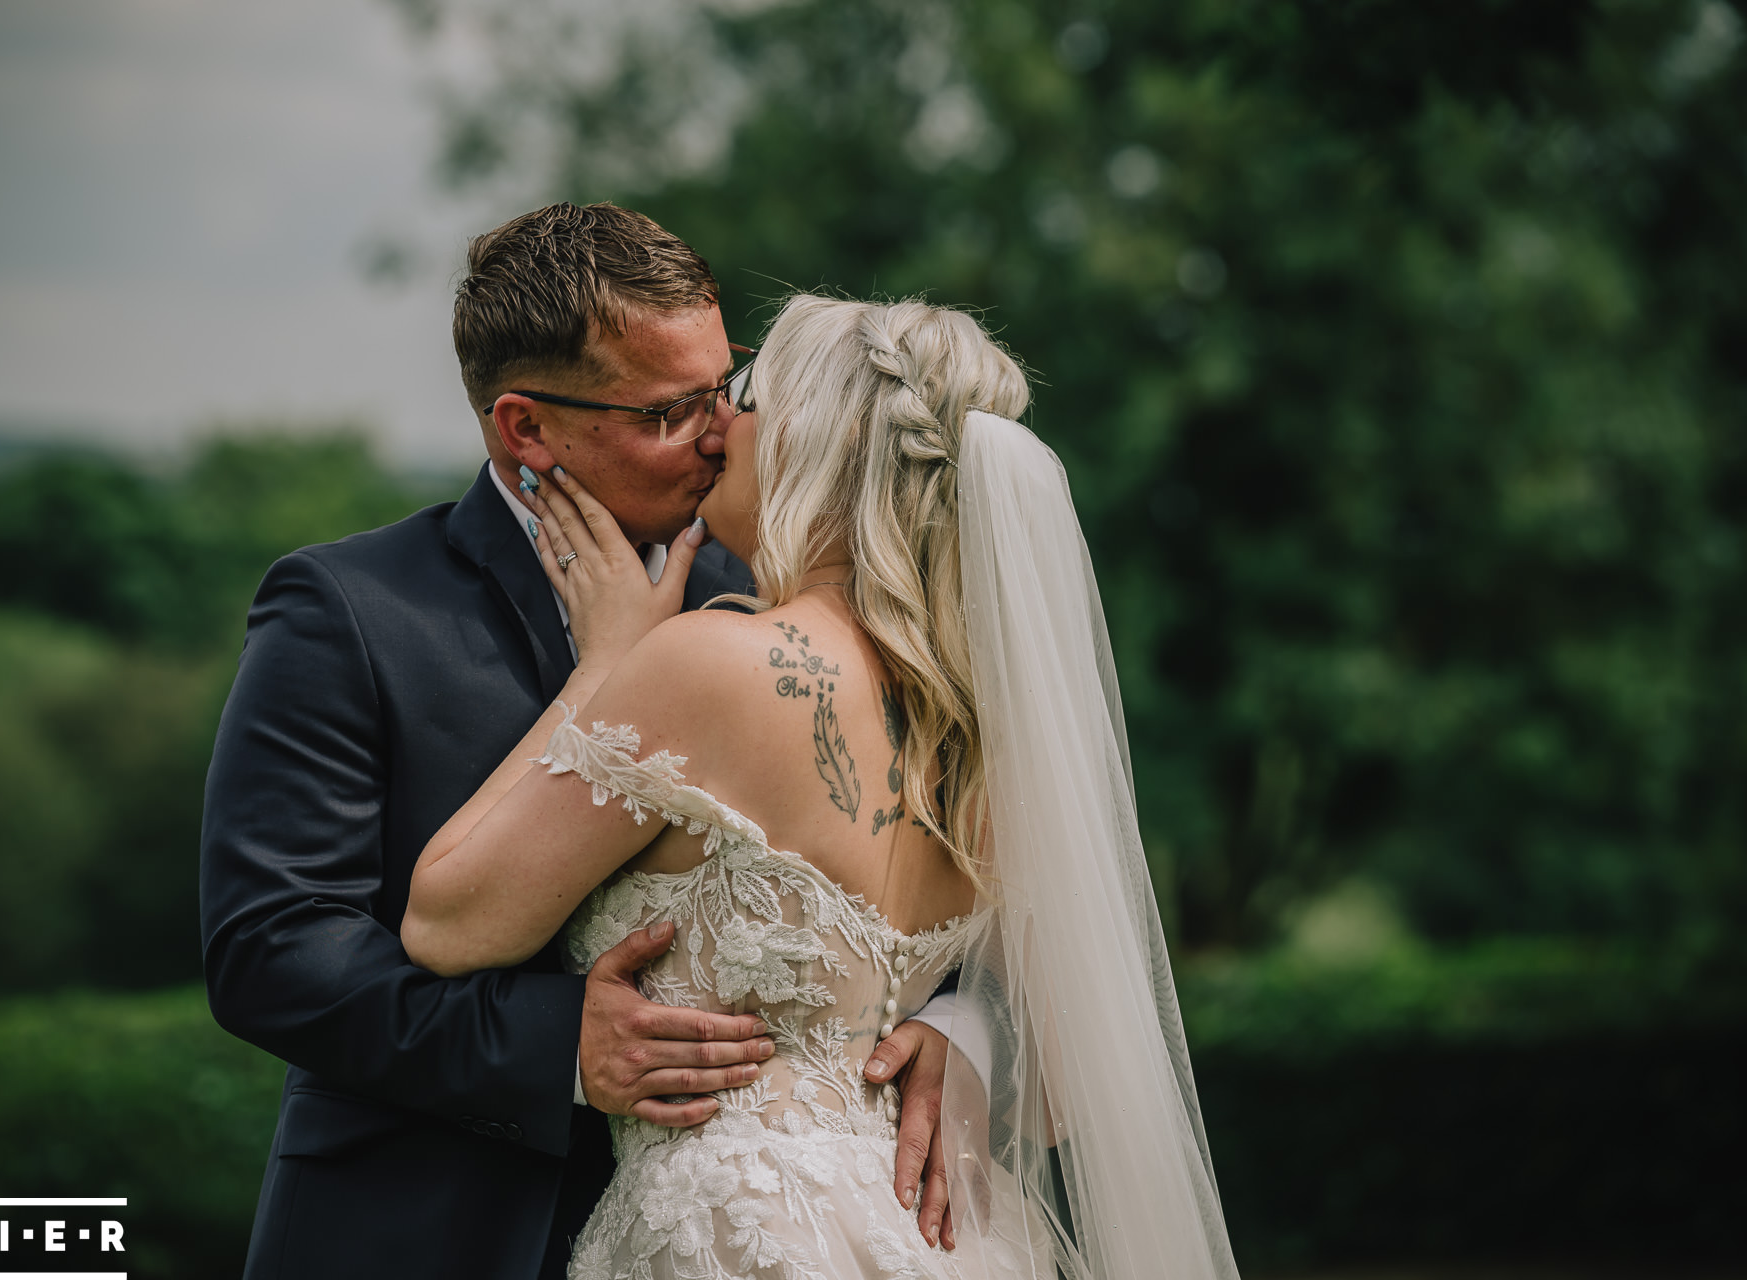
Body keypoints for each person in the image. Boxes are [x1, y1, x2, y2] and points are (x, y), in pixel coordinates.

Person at [402, 295, 1241, 1277]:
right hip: (940, 1232)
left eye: (744, 396)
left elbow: (447, 920)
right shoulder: (990, 729)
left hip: (733, 1231)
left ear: (809, 434)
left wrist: (606, 666)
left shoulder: (706, 663)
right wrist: (962, 1043)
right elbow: (1068, 1071)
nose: (717, 423)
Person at [200, 205, 961, 1280]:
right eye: (668, 409)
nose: (714, 433)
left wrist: (965, 1035)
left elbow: (940, 896)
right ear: (526, 428)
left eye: (722, 389)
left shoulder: (772, 602)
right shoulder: (352, 611)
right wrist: (556, 1045)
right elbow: (271, 950)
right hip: (426, 1234)